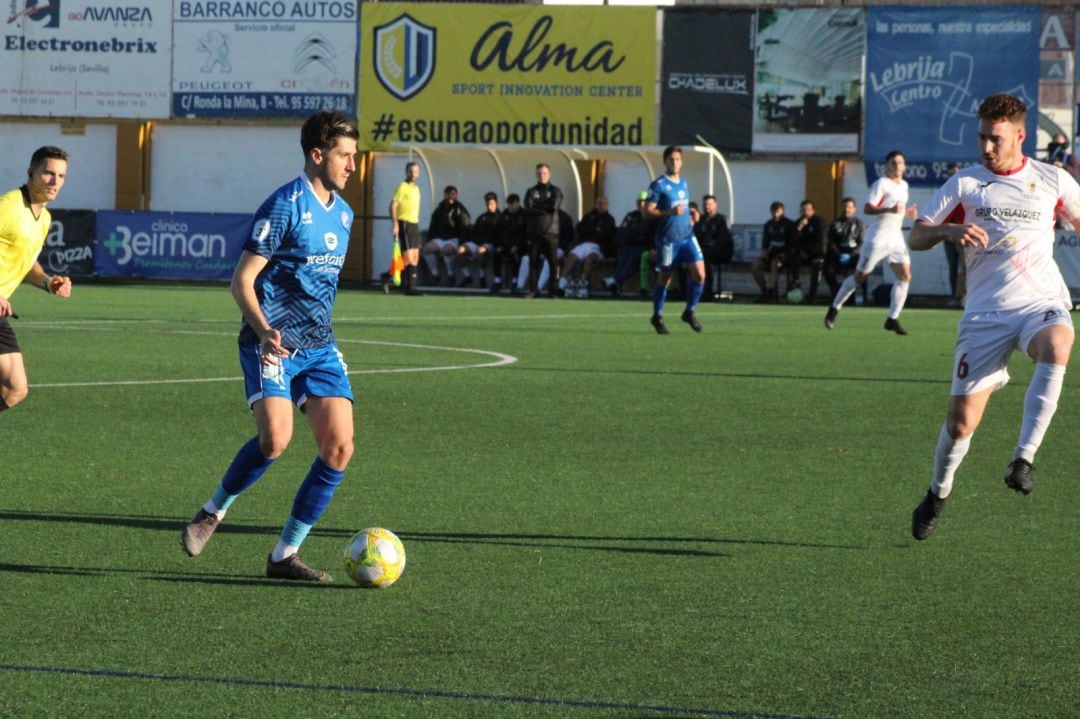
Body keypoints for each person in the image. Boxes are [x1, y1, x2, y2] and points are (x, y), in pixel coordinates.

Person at [180, 111, 360, 582]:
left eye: (355, 156)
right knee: (275, 440)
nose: (352, 166)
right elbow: (242, 281)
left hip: (319, 346)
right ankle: (212, 512)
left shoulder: (344, 214)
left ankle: (284, 555)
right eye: (345, 155)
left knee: (339, 447)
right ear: (317, 155)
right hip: (271, 343)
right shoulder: (284, 205)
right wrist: (264, 331)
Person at [908, 93, 1080, 540]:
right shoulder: (966, 184)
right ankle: (937, 493)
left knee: (1060, 341)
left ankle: (1023, 459)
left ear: (1020, 135)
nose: (986, 147)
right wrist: (948, 229)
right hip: (985, 315)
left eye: (995, 139)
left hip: (1038, 303)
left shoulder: (1053, 180)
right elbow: (916, 236)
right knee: (961, 423)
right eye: (982, 137)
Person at [0, 146, 73, 413]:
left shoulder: (44, 219)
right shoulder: (9, 206)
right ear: (31, 173)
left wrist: (47, 281)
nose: (55, 181)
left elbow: (26, 261)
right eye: (48, 174)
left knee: (14, 389)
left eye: (61, 176)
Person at [824, 150, 916, 334]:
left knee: (905, 275)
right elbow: (867, 208)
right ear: (887, 166)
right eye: (893, 163)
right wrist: (889, 208)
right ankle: (834, 308)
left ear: (904, 166)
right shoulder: (881, 183)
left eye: (900, 163)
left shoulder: (904, 186)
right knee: (860, 277)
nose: (897, 166)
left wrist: (907, 214)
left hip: (896, 239)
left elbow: (895, 212)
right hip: (878, 239)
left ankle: (892, 318)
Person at [644, 145, 705, 333]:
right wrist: (668, 212)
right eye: (671, 159)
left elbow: (682, 207)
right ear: (665, 162)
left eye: (678, 159)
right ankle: (657, 316)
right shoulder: (658, 184)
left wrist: (692, 214)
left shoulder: (684, 182)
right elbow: (647, 211)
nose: (675, 162)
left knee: (700, 275)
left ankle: (689, 312)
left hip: (687, 236)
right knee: (665, 278)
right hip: (668, 239)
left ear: (682, 162)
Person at [603, 191, 655, 298]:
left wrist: (636, 234)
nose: (642, 204)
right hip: (629, 245)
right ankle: (616, 285)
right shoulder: (632, 216)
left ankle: (614, 280)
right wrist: (633, 235)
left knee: (634, 258)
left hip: (645, 247)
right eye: (639, 201)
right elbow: (623, 231)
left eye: (644, 201)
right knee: (622, 256)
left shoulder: (652, 217)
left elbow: (649, 234)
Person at [560, 196, 615, 294]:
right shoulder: (588, 216)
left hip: (598, 246)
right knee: (571, 257)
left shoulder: (609, 219)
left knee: (590, 259)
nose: (601, 206)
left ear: (607, 206)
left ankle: (583, 282)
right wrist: (595, 230)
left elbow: (605, 234)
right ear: (595, 204)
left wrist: (591, 231)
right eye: (599, 203)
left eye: (604, 204)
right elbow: (580, 229)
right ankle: (562, 282)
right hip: (584, 243)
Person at [384, 161, 423, 296]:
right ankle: (387, 277)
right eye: (411, 171)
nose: (413, 174)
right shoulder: (402, 186)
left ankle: (411, 288)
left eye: (416, 171)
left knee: (415, 257)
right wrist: (395, 223)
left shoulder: (416, 188)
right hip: (404, 223)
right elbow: (393, 205)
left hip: (414, 224)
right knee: (407, 257)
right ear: (406, 172)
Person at [523, 163, 563, 298]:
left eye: (544, 173)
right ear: (536, 175)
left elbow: (553, 207)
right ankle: (534, 290)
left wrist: (537, 206)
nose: (542, 176)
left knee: (553, 262)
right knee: (533, 261)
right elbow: (528, 208)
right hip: (535, 231)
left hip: (551, 231)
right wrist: (543, 207)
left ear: (549, 174)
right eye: (539, 173)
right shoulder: (531, 191)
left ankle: (553, 291)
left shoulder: (556, 190)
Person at [421, 186, 471, 286]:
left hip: (454, 239)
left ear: (456, 195)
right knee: (426, 249)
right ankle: (435, 274)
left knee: (446, 249)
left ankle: (451, 275)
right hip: (441, 238)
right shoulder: (439, 210)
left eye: (453, 194)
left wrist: (461, 243)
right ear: (445, 195)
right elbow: (433, 227)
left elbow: (465, 227)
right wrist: (431, 240)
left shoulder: (460, 209)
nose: (451, 196)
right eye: (448, 194)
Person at [750, 201, 795, 303]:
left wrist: (785, 254)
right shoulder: (768, 225)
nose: (775, 214)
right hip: (771, 255)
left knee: (774, 264)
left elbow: (792, 245)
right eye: (773, 212)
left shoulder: (789, 224)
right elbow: (765, 245)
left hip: (785, 256)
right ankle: (764, 291)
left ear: (783, 211)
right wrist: (764, 254)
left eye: (778, 212)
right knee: (755, 266)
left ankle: (772, 292)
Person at [822, 196, 865, 302]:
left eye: (849, 207)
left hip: (853, 254)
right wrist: (838, 254)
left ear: (854, 209)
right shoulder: (835, 223)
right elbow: (830, 242)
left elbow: (862, 243)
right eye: (845, 207)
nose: (847, 209)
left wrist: (852, 254)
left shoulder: (859, 224)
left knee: (863, 269)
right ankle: (836, 291)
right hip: (838, 254)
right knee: (827, 270)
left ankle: (859, 296)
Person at [694, 194, 734, 301]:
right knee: (687, 258)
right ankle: (685, 292)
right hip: (704, 252)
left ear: (715, 205)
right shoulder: (701, 220)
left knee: (705, 259)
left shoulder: (722, 220)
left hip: (720, 253)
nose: (707, 207)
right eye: (705, 204)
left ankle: (707, 293)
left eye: (709, 204)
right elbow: (696, 237)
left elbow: (724, 240)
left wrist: (710, 249)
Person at [465, 191, 508, 290]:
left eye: (492, 204)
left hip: (492, 245)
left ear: (496, 204)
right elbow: (474, 232)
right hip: (479, 243)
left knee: (481, 250)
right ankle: (466, 276)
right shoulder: (482, 217)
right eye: (488, 204)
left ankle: (482, 276)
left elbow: (502, 235)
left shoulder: (501, 218)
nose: (489, 206)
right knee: (461, 250)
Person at [787, 199, 826, 302]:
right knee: (792, 258)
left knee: (817, 265)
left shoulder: (819, 221)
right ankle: (795, 284)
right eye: (803, 210)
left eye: (808, 210)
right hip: (803, 254)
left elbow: (820, 240)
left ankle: (811, 295)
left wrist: (811, 252)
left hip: (816, 254)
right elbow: (793, 241)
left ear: (813, 210)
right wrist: (799, 228)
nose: (806, 212)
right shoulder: (797, 223)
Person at [939, 163, 965, 307]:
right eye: (950, 174)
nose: (953, 177)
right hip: (948, 235)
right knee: (953, 266)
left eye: (955, 173)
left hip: (963, 235)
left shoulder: (965, 191)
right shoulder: (944, 192)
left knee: (966, 267)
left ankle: (963, 296)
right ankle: (954, 297)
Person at [499, 193, 527, 294]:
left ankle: (515, 280)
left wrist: (517, 245)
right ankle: (497, 281)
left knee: (514, 255)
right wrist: (501, 245)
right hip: (506, 244)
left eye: (512, 204)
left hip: (521, 246)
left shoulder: (524, 215)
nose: (509, 206)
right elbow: (500, 231)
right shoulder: (505, 215)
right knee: (497, 254)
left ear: (518, 203)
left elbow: (524, 234)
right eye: (508, 204)